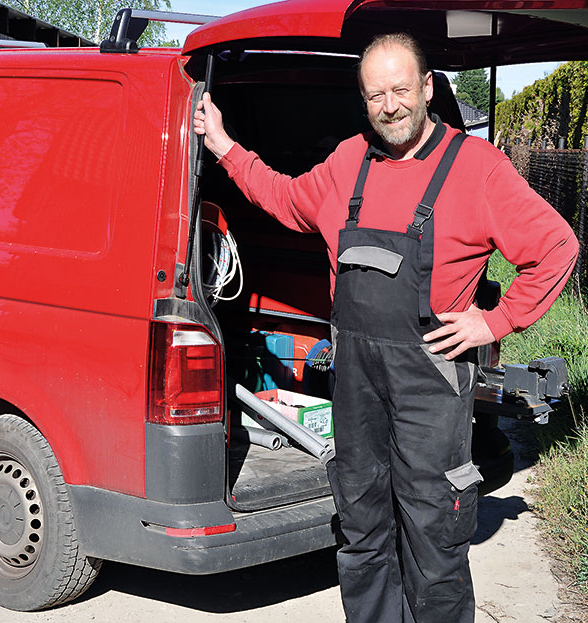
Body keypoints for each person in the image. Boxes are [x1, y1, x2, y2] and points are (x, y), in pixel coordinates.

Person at [194, 33, 578, 623]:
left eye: (401, 89)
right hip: (357, 382)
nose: (390, 105)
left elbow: (555, 247)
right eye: (376, 94)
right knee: (362, 524)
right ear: (364, 99)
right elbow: (282, 197)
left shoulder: (476, 169)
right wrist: (221, 143)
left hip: (431, 381)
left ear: (426, 89)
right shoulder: (349, 161)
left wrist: (494, 320)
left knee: (434, 534)